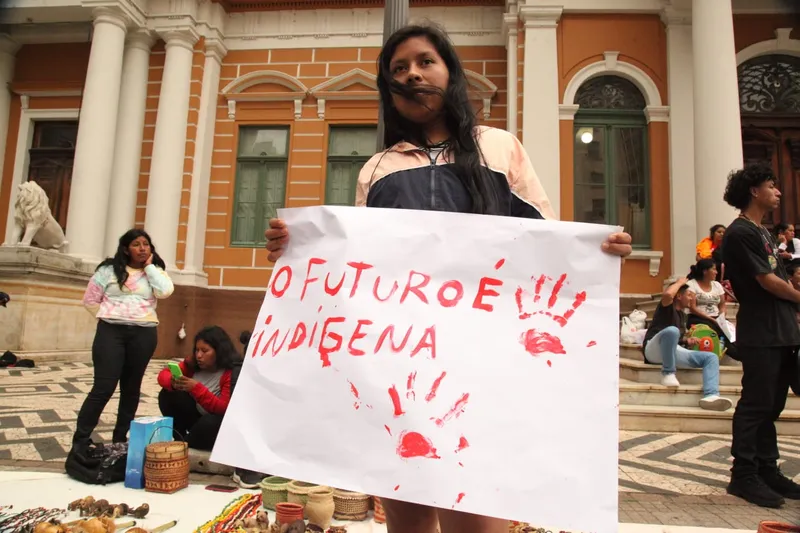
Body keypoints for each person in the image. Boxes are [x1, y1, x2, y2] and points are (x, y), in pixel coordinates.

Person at [264, 23, 633, 533]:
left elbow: (544, 240)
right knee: (406, 516)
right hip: (400, 371)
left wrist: (596, 253)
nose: (413, 74)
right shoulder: (377, 169)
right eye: (398, 69)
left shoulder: (500, 149)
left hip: (485, 368)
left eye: (424, 61)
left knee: (476, 515)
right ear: (389, 90)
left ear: (450, 72)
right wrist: (295, 251)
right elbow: (354, 269)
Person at [722, 164, 800, 508]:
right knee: (756, 404)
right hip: (761, 331)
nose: (778, 192)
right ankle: (744, 475)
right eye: (772, 185)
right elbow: (766, 280)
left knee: (773, 404)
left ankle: (768, 468)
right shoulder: (741, 233)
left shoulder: (764, 232)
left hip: (781, 329)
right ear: (754, 190)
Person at [72, 229, 174, 450]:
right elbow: (90, 300)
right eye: (136, 244)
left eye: (146, 244)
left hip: (143, 334)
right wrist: (111, 315)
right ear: (126, 248)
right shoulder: (108, 271)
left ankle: (120, 438)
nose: (142, 248)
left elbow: (165, 291)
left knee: (131, 387)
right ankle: (81, 439)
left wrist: (149, 267)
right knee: (103, 387)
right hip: (111, 333)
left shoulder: (155, 272)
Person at [642, 277, 732, 411]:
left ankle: (711, 396)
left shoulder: (683, 316)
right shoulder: (666, 307)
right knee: (672, 331)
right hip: (653, 350)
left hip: (672, 351)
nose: (692, 299)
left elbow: (676, 339)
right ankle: (668, 373)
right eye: (689, 295)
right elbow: (667, 294)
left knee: (710, 358)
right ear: (679, 296)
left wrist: (686, 340)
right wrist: (679, 283)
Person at [157, 326, 236, 450]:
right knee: (168, 394)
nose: (199, 355)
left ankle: (186, 444)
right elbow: (163, 375)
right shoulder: (192, 364)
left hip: (215, 423)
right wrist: (172, 382)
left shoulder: (230, 373)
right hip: (195, 416)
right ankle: (180, 437)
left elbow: (223, 408)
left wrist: (196, 388)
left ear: (219, 351)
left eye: (205, 351)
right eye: (197, 350)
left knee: (209, 423)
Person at [685, 259, 737, 360]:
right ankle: (734, 353)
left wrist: (721, 317)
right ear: (705, 271)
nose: (716, 272)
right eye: (713, 269)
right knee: (715, 329)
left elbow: (722, 305)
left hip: (716, 318)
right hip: (698, 318)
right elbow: (693, 308)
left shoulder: (717, 285)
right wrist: (712, 319)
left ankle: (738, 352)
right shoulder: (692, 284)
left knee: (730, 331)